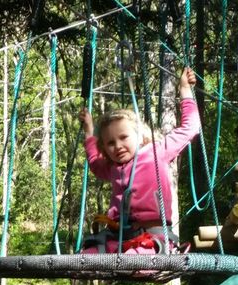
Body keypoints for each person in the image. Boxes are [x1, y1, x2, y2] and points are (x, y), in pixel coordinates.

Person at [78, 67, 200, 254]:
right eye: (110, 143)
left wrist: (185, 89)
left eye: (123, 137)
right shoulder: (112, 167)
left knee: (135, 259)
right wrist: (89, 131)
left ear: (140, 136)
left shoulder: (156, 151)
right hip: (117, 237)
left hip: (151, 237)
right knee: (84, 259)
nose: (117, 146)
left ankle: (166, 252)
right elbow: (94, 162)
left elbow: (190, 128)